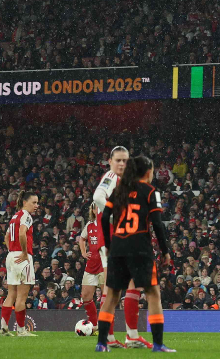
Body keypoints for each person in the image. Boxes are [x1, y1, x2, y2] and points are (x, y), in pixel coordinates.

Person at [96, 155, 173, 353]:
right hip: (140, 248)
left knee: (111, 296)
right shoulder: (150, 192)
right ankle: (157, 344)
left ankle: (102, 343)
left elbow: (105, 217)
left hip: (118, 247)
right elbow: (157, 223)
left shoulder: (119, 190)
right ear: (147, 172)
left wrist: (108, 243)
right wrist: (165, 251)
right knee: (153, 294)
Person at [92, 145, 144, 348]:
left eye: (125, 160)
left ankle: (112, 337)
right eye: (118, 160)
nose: (122, 163)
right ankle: (128, 335)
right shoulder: (111, 177)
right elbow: (97, 197)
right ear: (110, 161)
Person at [0, 190, 38, 337]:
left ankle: (4, 329)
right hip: (22, 257)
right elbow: (22, 233)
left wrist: (12, 250)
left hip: (11, 256)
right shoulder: (26, 216)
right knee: (22, 297)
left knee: (11, 295)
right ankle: (21, 331)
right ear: (24, 202)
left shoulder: (14, 216)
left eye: (37, 203)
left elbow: (7, 236)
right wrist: (23, 252)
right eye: (33, 202)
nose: (36, 205)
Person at [79, 202, 106, 331]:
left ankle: (105, 326)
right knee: (86, 296)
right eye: (96, 208)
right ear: (93, 210)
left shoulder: (107, 223)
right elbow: (81, 239)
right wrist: (83, 252)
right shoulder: (89, 225)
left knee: (106, 297)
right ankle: (94, 326)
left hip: (104, 265)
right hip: (91, 265)